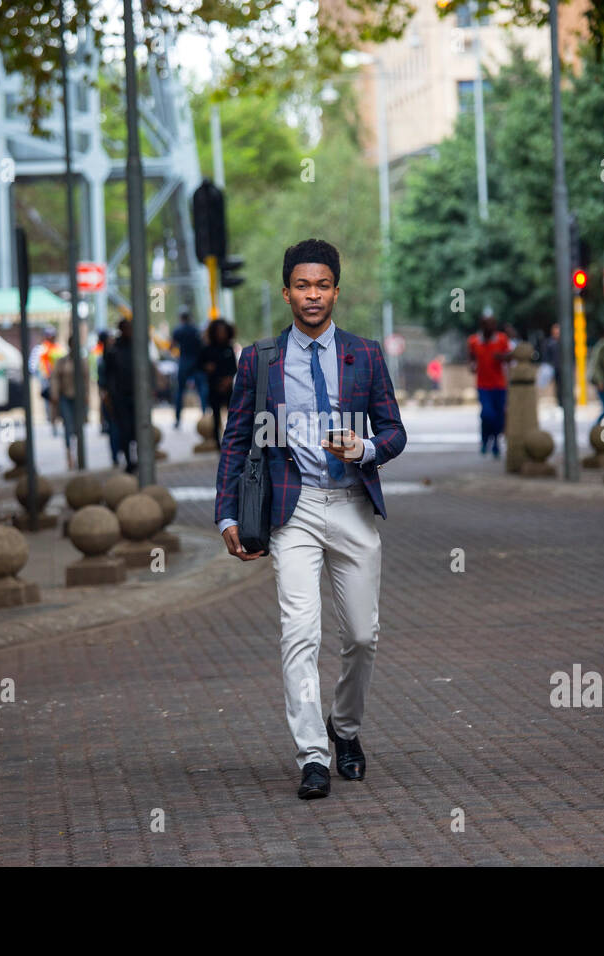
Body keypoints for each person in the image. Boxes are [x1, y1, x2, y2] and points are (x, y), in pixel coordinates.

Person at [215, 238, 406, 800]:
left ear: (336, 291)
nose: (313, 295)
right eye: (303, 285)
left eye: (322, 285)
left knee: (363, 636)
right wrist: (226, 512)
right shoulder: (260, 360)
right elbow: (236, 441)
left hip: (352, 507)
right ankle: (313, 756)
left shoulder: (366, 355)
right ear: (286, 292)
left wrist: (365, 447)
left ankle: (344, 730)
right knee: (300, 632)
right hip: (291, 513)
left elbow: (395, 432)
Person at [467, 307, 512, 457]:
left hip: (500, 385)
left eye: (491, 324)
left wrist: (502, 357)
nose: (489, 327)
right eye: (486, 324)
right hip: (483, 386)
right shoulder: (474, 341)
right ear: (482, 325)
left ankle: (495, 443)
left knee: (499, 417)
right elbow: (471, 359)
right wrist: (473, 366)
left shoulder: (502, 339)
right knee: (487, 414)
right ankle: (485, 439)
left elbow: (509, 357)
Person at [103, 319, 138, 473]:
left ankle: (136, 458)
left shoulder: (136, 346)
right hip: (120, 395)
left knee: (136, 429)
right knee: (124, 429)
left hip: (136, 394)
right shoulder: (113, 350)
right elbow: (107, 374)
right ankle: (129, 460)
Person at [199, 318, 237, 442]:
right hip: (213, 387)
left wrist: (228, 380)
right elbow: (199, 366)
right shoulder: (207, 349)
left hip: (228, 387)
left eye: (223, 331)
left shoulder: (229, 348)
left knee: (233, 415)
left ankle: (232, 440)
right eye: (219, 331)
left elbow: (234, 368)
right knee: (216, 416)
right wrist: (206, 367)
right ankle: (217, 444)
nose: (221, 334)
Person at [171, 307, 209, 429]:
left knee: (180, 391)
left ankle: (177, 419)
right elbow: (203, 345)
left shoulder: (178, 331)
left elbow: (171, 346)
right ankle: (204, 415)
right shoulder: (196, 330)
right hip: (197, 363)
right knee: (201, 389)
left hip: (184, 362)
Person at [53, 340, 81, 470]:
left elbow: (86, 379)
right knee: (68, 426)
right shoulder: (62, 361)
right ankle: (70, 455)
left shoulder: (82, 361)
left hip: (78, 398)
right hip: (65, 397)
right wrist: (55, 394)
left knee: (78, 427)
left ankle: (79, 454)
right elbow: (55, 378)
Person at [95, 331, 122, 468]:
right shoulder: (105, 359)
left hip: (114, 396)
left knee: (114, 427)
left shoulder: (110, 356)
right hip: (112, 397)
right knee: (114, 427)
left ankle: (116, 454)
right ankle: (115, 454)